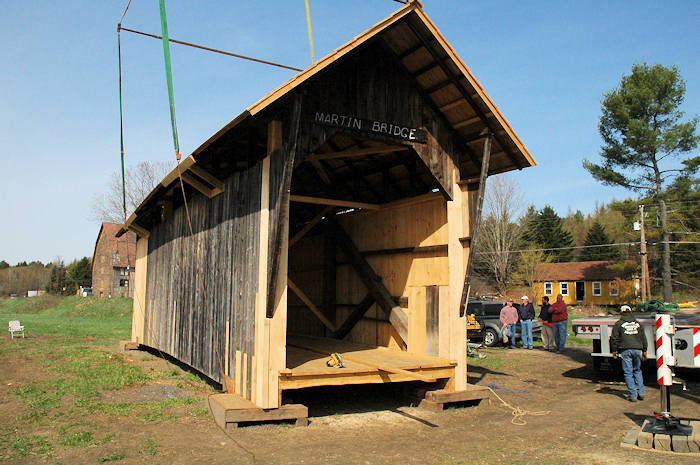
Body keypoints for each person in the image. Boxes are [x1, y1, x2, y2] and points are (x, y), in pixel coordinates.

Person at [611, 305, 648, 402]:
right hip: (638, 350)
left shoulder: (618, 324)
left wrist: (614, 350)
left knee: (628, 372)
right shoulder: (638, 324)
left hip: (625, 350)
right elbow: (643, 338)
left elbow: (614, 338)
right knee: (638, 370)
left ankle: (633, 395)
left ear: (621, 312)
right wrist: (644, 350)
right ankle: (641, 392)